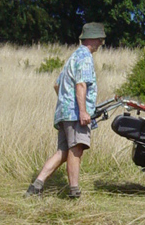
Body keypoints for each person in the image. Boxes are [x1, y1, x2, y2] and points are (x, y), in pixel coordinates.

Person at [25, 22, 105, 199]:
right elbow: (81, 84)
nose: (101, 42)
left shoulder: (73, 57)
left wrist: (66, 102)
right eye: (100, 39)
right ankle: (74, 192)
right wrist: (83, 111)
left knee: (63, 152)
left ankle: (36, 186)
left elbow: (57, 84)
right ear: (92, 39)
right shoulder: (85, 57)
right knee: (76, 150)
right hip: (76, 115)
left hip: (64, 113)